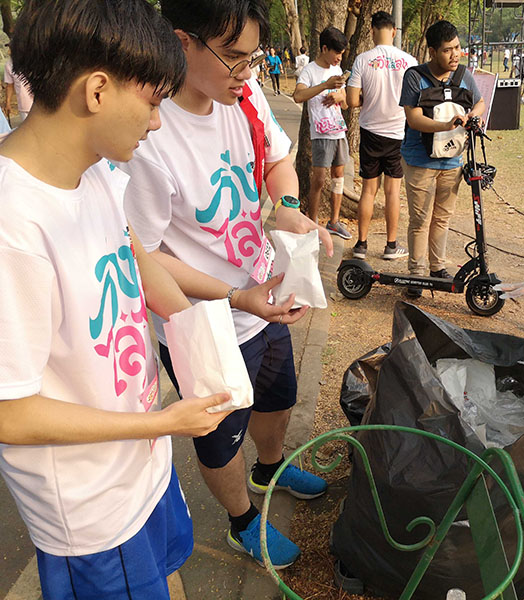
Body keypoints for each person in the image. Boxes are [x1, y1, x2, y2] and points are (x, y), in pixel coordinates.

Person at [0, 0, 236, 597]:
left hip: (146, 461)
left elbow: (136, 257)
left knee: (168, 569)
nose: (157, 123)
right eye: (154, 102)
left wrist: (201, 344)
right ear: (97, 91)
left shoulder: (95, 171)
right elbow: (10, 412)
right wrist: (162, 421)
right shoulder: (13, 225)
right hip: (94, 509)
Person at [122, 0, 333, 569]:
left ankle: (272, 469)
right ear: (180, 41)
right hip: (201, 318)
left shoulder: (244, 94)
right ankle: (243, 520)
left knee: (278, 396)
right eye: (233, 57)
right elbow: (142, 255)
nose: (246, 71)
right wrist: (236, 298)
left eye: (252, 57)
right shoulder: (146, 131)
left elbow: (277, 163)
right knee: (220, 436)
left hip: (260, 294)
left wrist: (287, 207)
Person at [398, 19, 485, 299]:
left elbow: (480, 101)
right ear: (432, 51)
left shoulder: (463, 75)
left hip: (452, 161)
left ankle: (437, 268)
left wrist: (471, 117)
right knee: (420, 219)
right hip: (419, 160)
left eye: (458, 48)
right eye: (448, 50)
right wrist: (447, 125)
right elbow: (413, 118)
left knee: (442, 218)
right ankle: (416, 274)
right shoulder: (414, 76)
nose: (455, 55)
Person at [346, 10, 416, 261]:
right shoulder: (410, 61)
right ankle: (390, 245)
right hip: (398, 133)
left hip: (370, 132)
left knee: (368, 190)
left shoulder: (362, 60)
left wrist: (367, 99)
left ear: (373, 30)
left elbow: (352, 100)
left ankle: (361, 244)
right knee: (392, 192)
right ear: (394, 31)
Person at [294, 26, 352, 239]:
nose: (339, 57)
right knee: (318, 179)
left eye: (342, 53)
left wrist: (340, 96)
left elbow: (345, 104)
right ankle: (313, 223)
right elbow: (298, 96)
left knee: (338, 176)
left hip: (339, 131)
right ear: (324, 48)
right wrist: (324, 85)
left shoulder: (337, 70)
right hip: (320, 133)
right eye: (336, 52)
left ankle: (334, 222)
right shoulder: (310, 70)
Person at [3, 44, 34, 124]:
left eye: (11, 48)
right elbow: (9, 86)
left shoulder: (31, 61)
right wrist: (8, 103)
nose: (9, 51)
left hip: (38, 103)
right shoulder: (9, 65)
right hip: (24, 105)